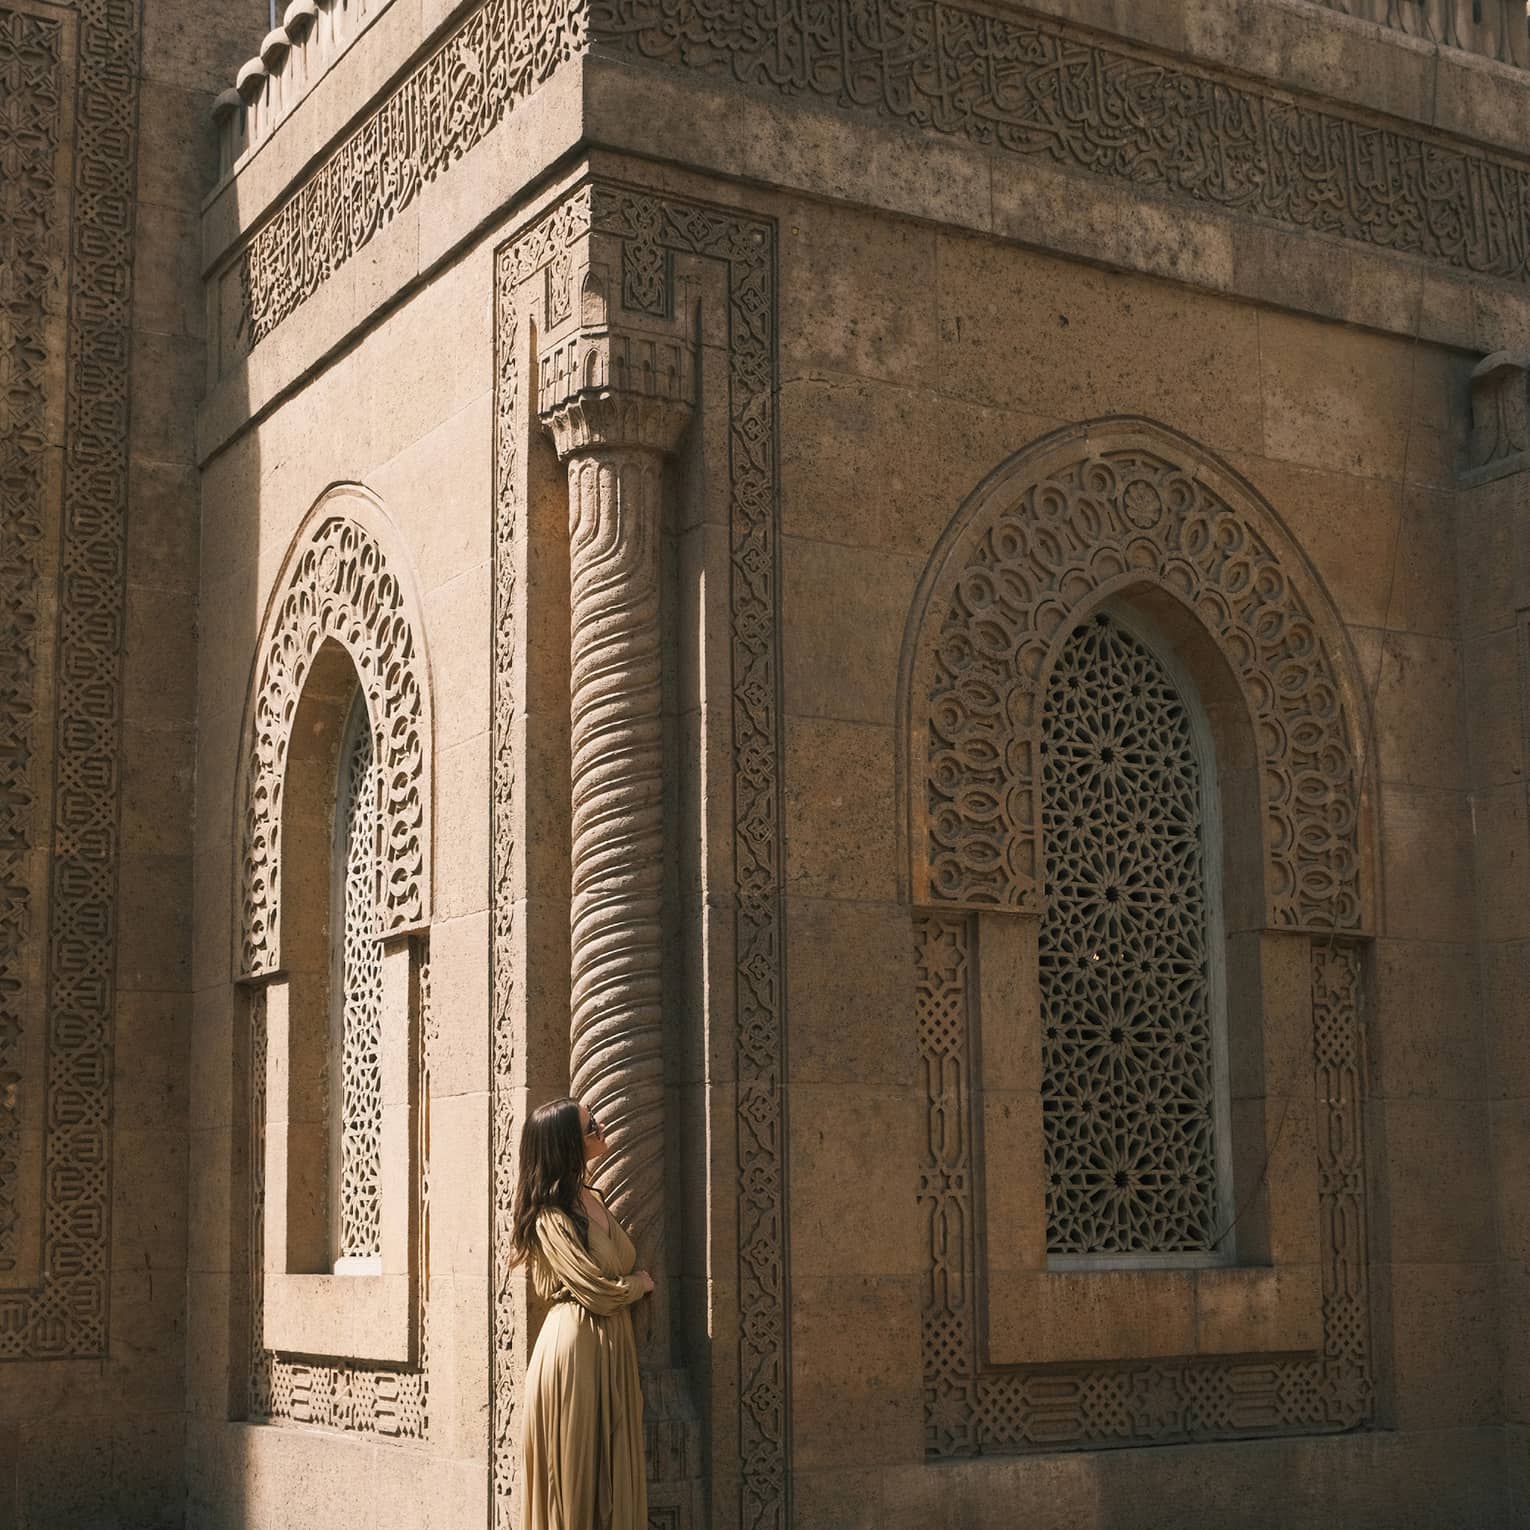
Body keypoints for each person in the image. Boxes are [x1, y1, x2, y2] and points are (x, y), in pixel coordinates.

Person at [512, 1096, 655, 1530]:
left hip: (608, 1347)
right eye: (591, 1125)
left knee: (607, 1477)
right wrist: (640, 1285)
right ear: (567, 1145)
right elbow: (595, 1290)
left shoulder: (588, 1199)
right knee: (575, 1484)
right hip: (575, 1353)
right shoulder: (550, 1217)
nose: (601, 1125)